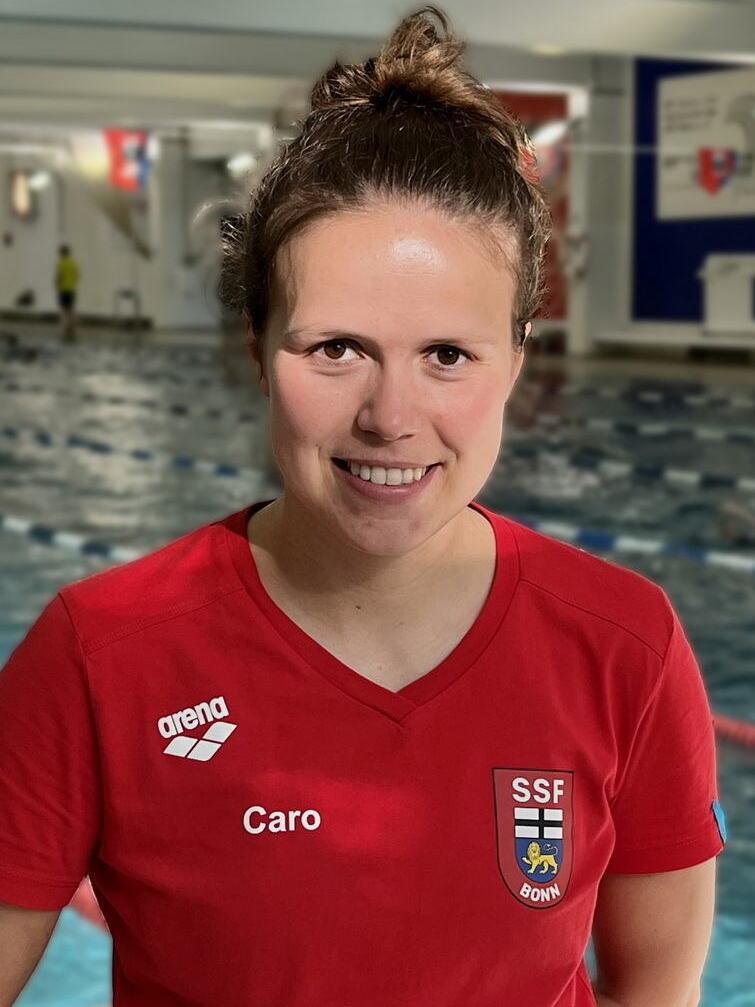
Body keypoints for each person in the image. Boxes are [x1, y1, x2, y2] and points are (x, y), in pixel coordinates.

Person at [0, 8, 726, 1006]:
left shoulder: (623, 644)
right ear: (256, 349)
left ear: (514, 361)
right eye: (335, 347)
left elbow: (658, 990)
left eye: (446, 355)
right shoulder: (100, 652)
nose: (390, 417)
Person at [55, 243, 80, 342]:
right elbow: (77, 275)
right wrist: (73, 283)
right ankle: (73, 328)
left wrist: (57, 284)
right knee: (71, 309)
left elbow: (59, 275)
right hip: (72, 288)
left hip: (63, 289)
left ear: (62, 253)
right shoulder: (73, 263)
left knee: (63, 310)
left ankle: (65, 330)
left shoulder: (61, 263)